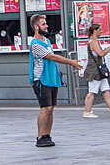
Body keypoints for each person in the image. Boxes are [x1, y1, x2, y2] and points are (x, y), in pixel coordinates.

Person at [29, 14, 82, 147]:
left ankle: (47, 135)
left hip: (52, 78)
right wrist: (70, 62)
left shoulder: (46, 41)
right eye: (43, 24)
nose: (46, 26)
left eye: (46, 23)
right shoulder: (35, 44)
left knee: (51, 108)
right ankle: (40, 136)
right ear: (36, 27)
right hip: (41, 79)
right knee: (45, 108)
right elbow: (52, 57)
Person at [82, 24, 110, 118]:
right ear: (95, 31)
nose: (101, 32)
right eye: (99, 30)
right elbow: (101, 54)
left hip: (99, 70)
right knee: (92, 91)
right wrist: (109, 48)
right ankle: (87, 111)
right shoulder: (93, 42)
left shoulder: (94, 42)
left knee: (106, 90)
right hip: (95, 70)